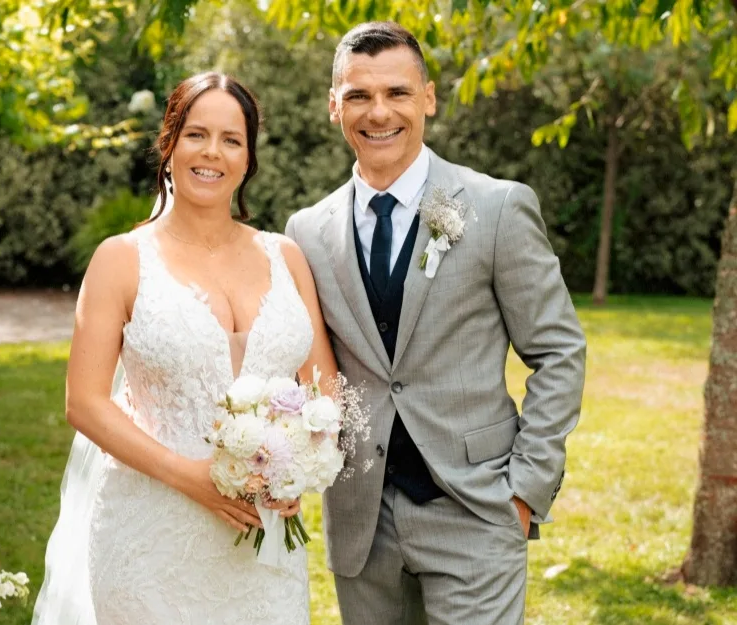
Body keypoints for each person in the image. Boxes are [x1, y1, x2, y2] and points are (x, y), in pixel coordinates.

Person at [285, 21, 587, 625]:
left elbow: (559, 352)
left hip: (476, 509)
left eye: (397, 93)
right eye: (358, 96)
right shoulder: (307, 233)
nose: (378, 112)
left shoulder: (497, 207)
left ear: (427, 97)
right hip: (361, 521)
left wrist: (525, 489)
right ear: (333, 106)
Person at [33, 71, 338, 625]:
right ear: (169, 143)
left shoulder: (286, 257)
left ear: (248, 159)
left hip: (262, 546)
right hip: (151, 535)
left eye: (231, 140)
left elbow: (326, 388)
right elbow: (85, 403)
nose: (212, 153)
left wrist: (302, 470)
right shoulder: (121, 260)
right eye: (196, 134)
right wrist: (189, 477)